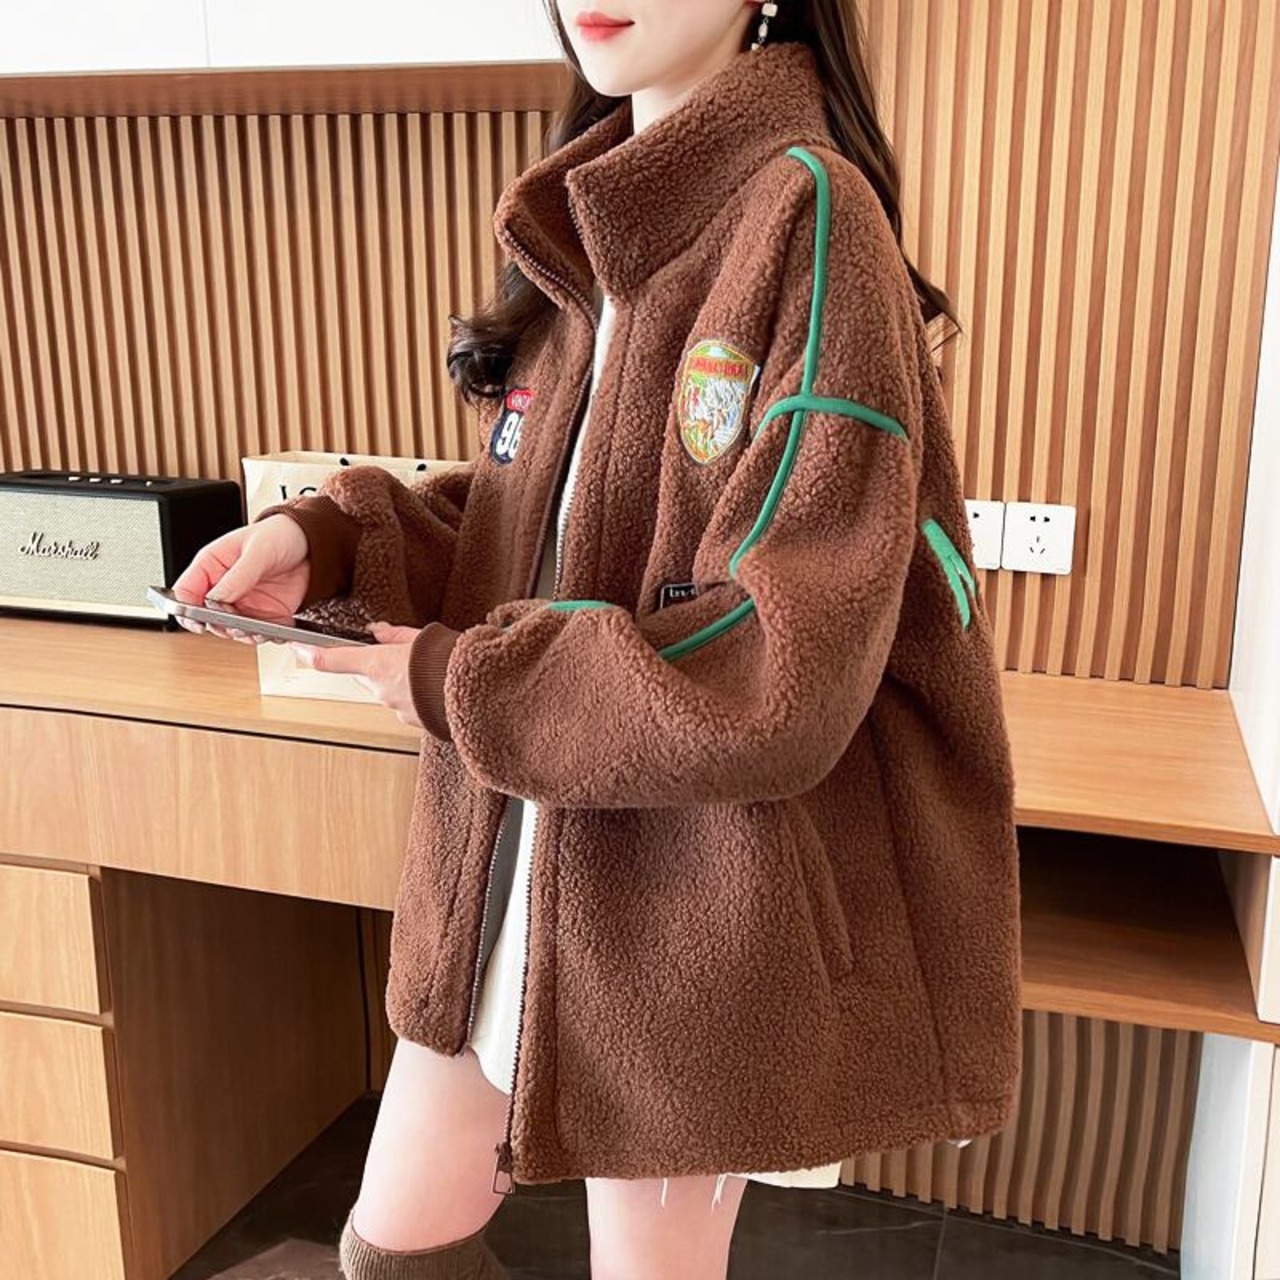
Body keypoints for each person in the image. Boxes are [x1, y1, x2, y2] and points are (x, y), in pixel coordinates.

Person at [173, 3, 1023, 1277]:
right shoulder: (585, 226)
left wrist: (454, 677)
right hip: (500, 864)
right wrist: (331, 535)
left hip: (688, 898)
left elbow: (776, 657)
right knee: (392, 1251)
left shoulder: (807, 218)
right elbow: (537, 532)